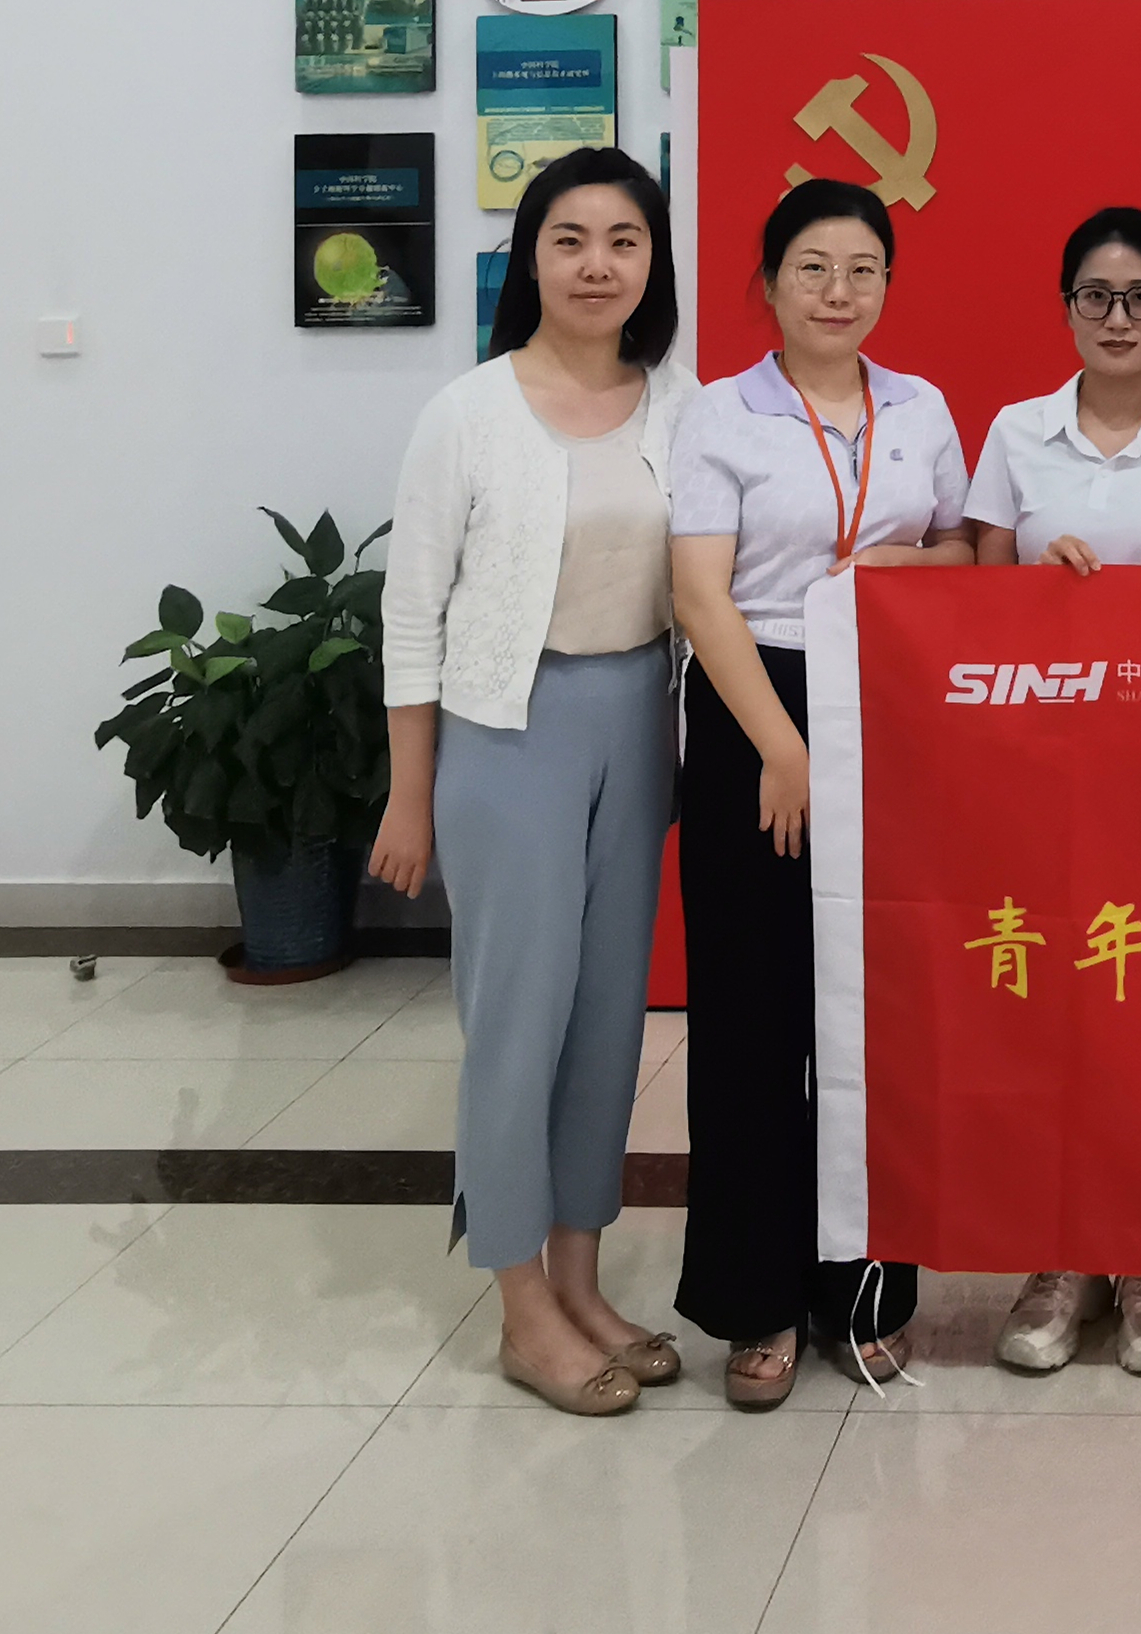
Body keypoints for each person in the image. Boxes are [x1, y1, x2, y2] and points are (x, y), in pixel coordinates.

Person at [368, 146, 695, 1418]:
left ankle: (580, 1278)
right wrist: (410, 794)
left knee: (610, 1019)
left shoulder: (681, 404)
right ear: (530, 260)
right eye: (569, 240)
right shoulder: (469, 412)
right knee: (519, 1018)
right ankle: (517, 1305)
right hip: (506, 731)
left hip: (638, 722)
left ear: (654, 261)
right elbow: (411, 614)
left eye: (624, 240)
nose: (597, 264)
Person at [667, 177, 974, 1409]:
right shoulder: (721, 412)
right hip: (757, 702)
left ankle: (864, 1295)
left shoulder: (921, 407)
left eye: (862, 270)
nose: (838, 292)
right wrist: (785, 751)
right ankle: (752, 1299)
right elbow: (699, 593)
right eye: (812, 268)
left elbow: (964, 547)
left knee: (872, 1013)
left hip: (887, 704)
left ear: (887, 284)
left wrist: (914, 558)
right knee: (752, 1016)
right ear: (769, 284)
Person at [963, 206, 1141, 1375]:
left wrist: (1114, 611)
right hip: (1037, 774)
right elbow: (975, 610)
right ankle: (1060, 1256)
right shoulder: (1014, 433)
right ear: (1066, 308)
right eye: (1096, 296)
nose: (1119, 317)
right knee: (1051, 1017)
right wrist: (1038, 588)